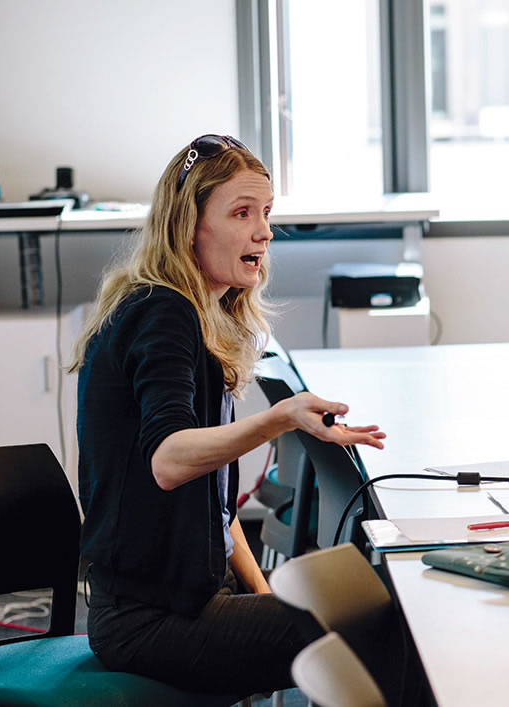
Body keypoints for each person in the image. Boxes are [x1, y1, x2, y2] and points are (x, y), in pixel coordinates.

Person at [69, 134, 388, 695]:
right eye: (242, 213)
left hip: (187, 598)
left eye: (265, 213)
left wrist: (265, 600)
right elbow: (169, 462)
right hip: (148, 618)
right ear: (187, 224)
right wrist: (281, 416)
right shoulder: (161, 312)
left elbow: (214, 508)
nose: (264, 232)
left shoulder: (189, 313)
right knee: (377, 625)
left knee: (362, 609)